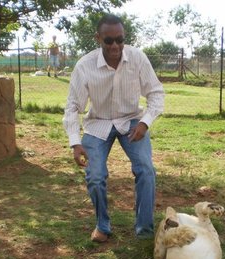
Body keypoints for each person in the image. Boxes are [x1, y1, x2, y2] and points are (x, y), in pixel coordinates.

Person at [63, 14, 165, 243]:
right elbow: (73, 106)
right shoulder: (85, 65)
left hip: (131, 121)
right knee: (95, 176)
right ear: (98, 38)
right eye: (109, 41)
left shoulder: (137, 59)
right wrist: (75, 142)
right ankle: (102, 224)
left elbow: (156, 94)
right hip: (98, 123)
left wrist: (145, 122)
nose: (115, 46)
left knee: (146, 170)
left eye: (120, 40)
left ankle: (145, 231)